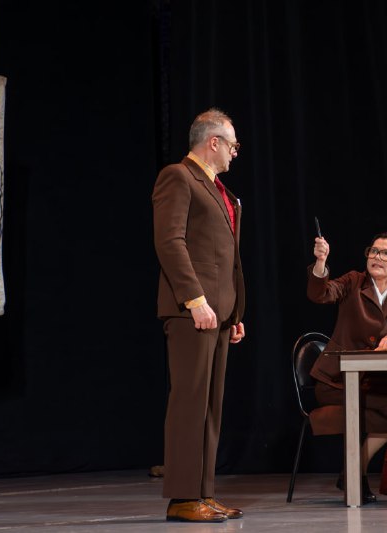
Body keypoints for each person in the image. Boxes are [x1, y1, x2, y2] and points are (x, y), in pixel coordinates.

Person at [152, 107, 246, 523]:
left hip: (218, 312)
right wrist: (195, 299)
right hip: (192, 310)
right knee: (189, 403)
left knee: (210, 407)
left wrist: (233, 311)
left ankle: (203, 493)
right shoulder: (178, 177)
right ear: (214, 142)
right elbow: (170, 242)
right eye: (233, 145)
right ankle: (182, 497)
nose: (234, 153)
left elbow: (225, 257)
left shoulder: (220, 190)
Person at [307, 232, 387, 503]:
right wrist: (321, 262)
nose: (377, 257)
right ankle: (353, 470)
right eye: (373, 251)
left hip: (370, 380)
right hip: (335, 381)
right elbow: (320, 293)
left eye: (386, 254)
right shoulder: (353, 282)